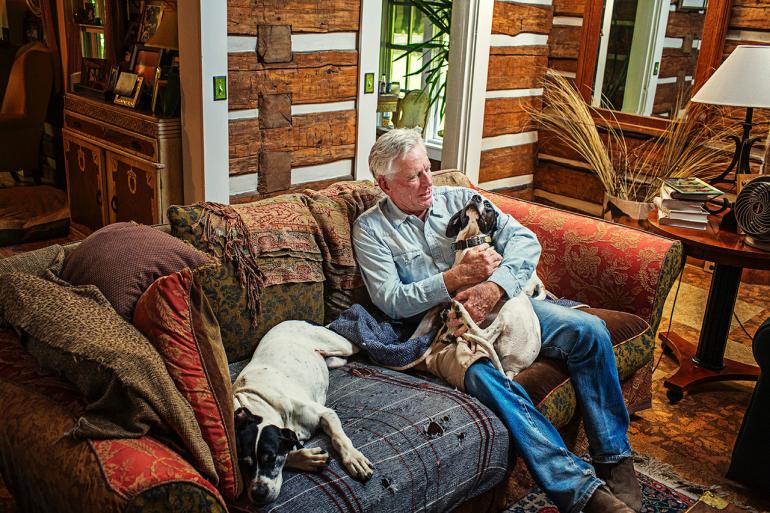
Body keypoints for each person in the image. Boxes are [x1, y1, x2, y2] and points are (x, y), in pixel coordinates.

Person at [351, 128, 642, 513]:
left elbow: (525, 242)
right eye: (413, 177)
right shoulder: (371, 229)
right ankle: (581, 494)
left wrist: (495, 290)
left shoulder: (458, 199)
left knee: (589, 330)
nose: (427, 183)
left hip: (502, 301)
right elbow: (392, 301)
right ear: (384, 184)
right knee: (485, 379)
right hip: (442, 328)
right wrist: (453, 280)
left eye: (427, 169)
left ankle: (614, 459)